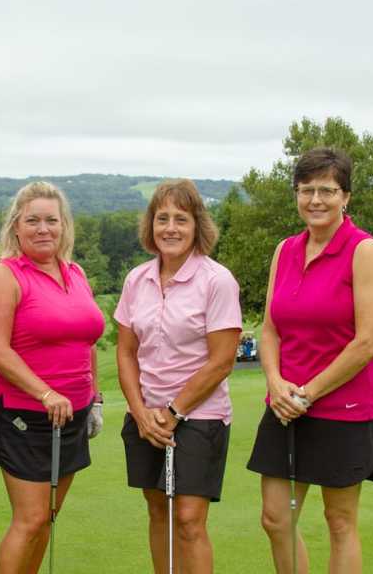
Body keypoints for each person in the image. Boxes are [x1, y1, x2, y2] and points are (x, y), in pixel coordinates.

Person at [247, 147, 373, 574]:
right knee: (275, 518)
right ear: (296, 193)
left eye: (327, 190)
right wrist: (274, 381)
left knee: (340, 521)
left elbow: (367, 343)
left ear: (345, 196)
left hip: (343, 406)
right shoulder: (285, 250)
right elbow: (270, 327)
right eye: (306, 189)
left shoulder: (365, 251)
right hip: (284, 402)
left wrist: (307, 393)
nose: (315, 200)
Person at [0, 181, 105, 574]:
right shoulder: (3, 275)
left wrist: (94, 398)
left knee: (47, 517)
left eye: (51, 220)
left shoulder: (76, 272)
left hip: (72, 415)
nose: (43, 228)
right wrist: (45, 393)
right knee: (30, 519)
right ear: (16, 226)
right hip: (23, 415)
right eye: (33, 220)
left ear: (64, 226)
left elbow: (87, 341)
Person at [115, 179, 242, 574]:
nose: (170, 227)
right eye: (162, 218)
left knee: (187, 519)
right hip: (146, 415)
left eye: (180, 219)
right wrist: (140, 413)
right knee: (158, 513)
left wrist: (173, 411)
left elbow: (221, 361)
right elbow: (125, 352)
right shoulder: (137, 279)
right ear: (151, 225)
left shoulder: (217, 280)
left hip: (199, 416)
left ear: (197, 225)